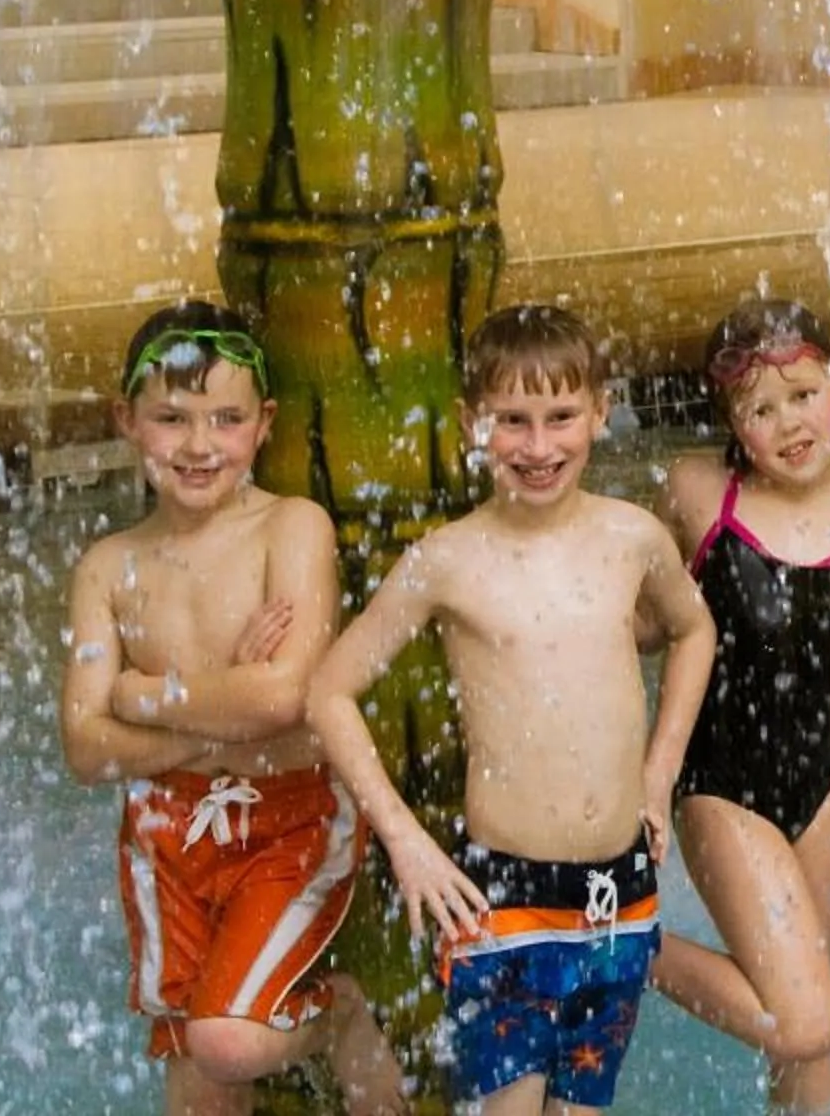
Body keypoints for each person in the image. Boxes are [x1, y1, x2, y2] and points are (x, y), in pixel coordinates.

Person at [307, 304, 715, 1116]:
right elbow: (328, 692)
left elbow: (693, 629)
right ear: (472, 424)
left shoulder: (632, 538)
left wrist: (659, 772)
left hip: (617, 889)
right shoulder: (447, 560)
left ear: (600, 411)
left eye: (560, 417)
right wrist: (406, 841)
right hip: (503, 894)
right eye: (512, 421)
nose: (538, 446)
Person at [58, 300, 405, 1115]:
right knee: (196, 1070)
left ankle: (337, 1015)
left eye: (226, 419)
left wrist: (145, 697)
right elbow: (85, 748)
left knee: (226, 1040)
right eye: (171, 419)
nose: (199, 444)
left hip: (290, 821)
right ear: (127, 420)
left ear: (264, 423)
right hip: (164, 836)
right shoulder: (107, 566)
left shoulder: (292, 528)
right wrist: (223, 707)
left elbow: (283, 698)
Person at [649, 300, 830, 1114]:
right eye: (761, 410)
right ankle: (620, 948)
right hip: (722, 785)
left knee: (808, 1038)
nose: (790, 424)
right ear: (733, 425)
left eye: (804, 395)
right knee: (804, 1022)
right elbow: (637, 617)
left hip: (824, 791)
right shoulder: (701, 496)